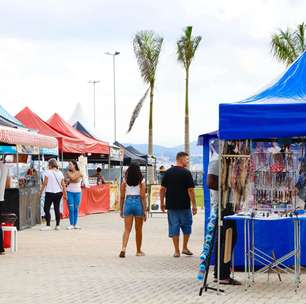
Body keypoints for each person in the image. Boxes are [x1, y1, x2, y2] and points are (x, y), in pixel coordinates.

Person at [207, 157, 241, 285]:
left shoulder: (230, 163)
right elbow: (210, 183)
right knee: (226, 240)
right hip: (222, 208)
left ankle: (220, 274)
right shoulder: (216, 163)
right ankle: (222, 275)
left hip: (228, 207)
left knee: (225, 240)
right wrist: (229, 184)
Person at [160, 152, 197, 258]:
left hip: (171, 205)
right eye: (187, 159)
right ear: (180, 159)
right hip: (184, 205)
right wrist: (194, 205)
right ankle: (184, 247)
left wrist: (162, 202)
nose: (188, 161)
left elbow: (162, 189)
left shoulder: (168, 172)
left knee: (174, 227)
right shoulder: (186, 173)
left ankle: (176, 251)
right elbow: (190, 190)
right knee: (187, 226)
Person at [119, 162, 147, 258]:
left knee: (127, 229)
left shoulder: (125, 179)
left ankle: (123, 248)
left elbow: (122, 196)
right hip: (138, 202)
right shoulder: (142, 180)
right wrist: (145, 210)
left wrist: (121, 209)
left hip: (128, 202)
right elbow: (143, 196)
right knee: (138, 230)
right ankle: (138, 251)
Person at [40, 159, 67, 231]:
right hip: (59, 193)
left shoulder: (47, 172)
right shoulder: (60, 173)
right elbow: (63, 184)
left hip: (49, 193)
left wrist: (40, 192)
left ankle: (48, 225)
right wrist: (65, 194)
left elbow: (45, 183)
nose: (47, 165)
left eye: (48, 164)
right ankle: (57, 225)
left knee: (46, 208)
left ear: (50, 165)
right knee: (56, 208)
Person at [66, 160, 83, 230]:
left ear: (74, 165)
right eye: (69, 165)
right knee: (71, 209)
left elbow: (73, 179)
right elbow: (73, 179)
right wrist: (74, 178)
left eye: (70, 164)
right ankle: (71, 224)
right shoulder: (68, 172)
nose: (69, 166)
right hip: (70, 192)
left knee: (76, 209)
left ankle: (75, 224)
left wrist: (70, 179)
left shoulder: (78, 172)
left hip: (78, 192)